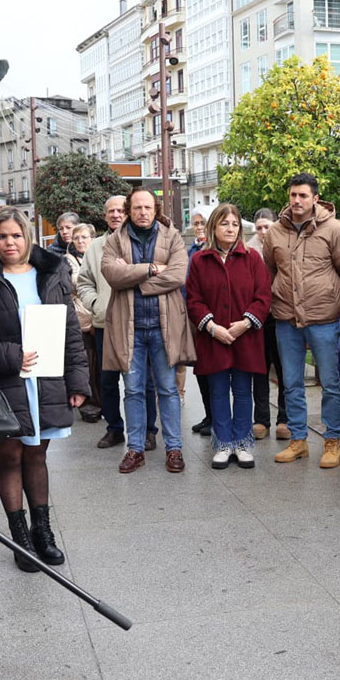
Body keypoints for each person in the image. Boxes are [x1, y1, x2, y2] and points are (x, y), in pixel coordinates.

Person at [0, 206, 88, 571]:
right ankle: (21, 538)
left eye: (15, 235)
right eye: (2, 236)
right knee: (11, 457)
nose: (9, 242)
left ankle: (42, 531)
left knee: (37, 457)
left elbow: (70, 330)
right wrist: (11, 356)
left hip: (45, 381)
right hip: (5, 384)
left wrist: (77, 381)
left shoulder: (51, 272)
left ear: (27, 237)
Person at [260, 173, 340, 467]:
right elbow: (270, 272)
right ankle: (298, 440)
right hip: (286, 320)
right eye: (293, 195)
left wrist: (329, 297)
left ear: (315, 198)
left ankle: (332, 441)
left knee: (330, 382)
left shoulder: (335, 230)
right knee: (290, 383)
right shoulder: (275, 232)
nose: (297, 201)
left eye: (303, 195)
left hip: (323, 319)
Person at [102, 188, 194, 474]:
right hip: (129, 327)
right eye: (138, 207)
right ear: (129, 210)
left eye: (148, 207)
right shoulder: (115, 240)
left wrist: (135, 275)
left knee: (167, 389)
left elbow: (178, 275)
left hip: (163, 327)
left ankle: (174, 449)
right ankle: (135, 449)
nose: (143, 212)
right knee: (132, 390)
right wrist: (153, 269)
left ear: (156, 210)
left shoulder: (172, 236)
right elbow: (112, 275)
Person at [186, 204, 272, 469]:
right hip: (214, 337)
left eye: (234, 224)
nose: (230, 228)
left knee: (243, 391)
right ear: (214, 227)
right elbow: (193, 299)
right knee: (219, 391)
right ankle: (223, 443)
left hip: (245, 336)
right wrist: (212, 327)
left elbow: (263, 296)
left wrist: (245, 324)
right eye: (225, 223)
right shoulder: (200, 260)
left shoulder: (252, 258)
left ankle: (243, 443)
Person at [75, 196, 161, 451]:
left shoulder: (142, 242)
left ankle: (148, 431)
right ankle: (114, 429)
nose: (115, 215)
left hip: (139, 321)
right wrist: (95, 305)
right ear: (104, 216)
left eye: (119, 210)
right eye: (110, 211)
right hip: (105, 324)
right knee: (108, 380)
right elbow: (84, 282)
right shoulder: (95, 247)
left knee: (144, 381)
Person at [246, 208, 289, 440]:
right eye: (259, 227)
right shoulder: (249, 249)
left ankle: (284, 418)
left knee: (284, 369)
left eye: (267, 227)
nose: (263, 231)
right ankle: (261, 419)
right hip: (257, 316)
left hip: (281, 314)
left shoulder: (285, 243)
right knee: (259, 370)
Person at [64, 223, 102, 424]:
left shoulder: (99, 256)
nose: (80, 241)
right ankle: (89, 406)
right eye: (76, 238)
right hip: (80, 320)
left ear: (92, 238)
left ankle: (102, 402)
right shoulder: (67, 260)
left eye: (84, 237)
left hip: (100, 316)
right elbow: (70, 283)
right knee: (85, 363)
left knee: (102, 366)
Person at [187, 208, 213, 437]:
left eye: (202, 222)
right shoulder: (191, 250)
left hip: (213, 318)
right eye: (195, 223)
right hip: (194, 318)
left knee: (215, 371)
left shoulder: (213, 248)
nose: (198, 227)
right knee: (200, 369)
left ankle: (217, 416)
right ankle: (208, 414)